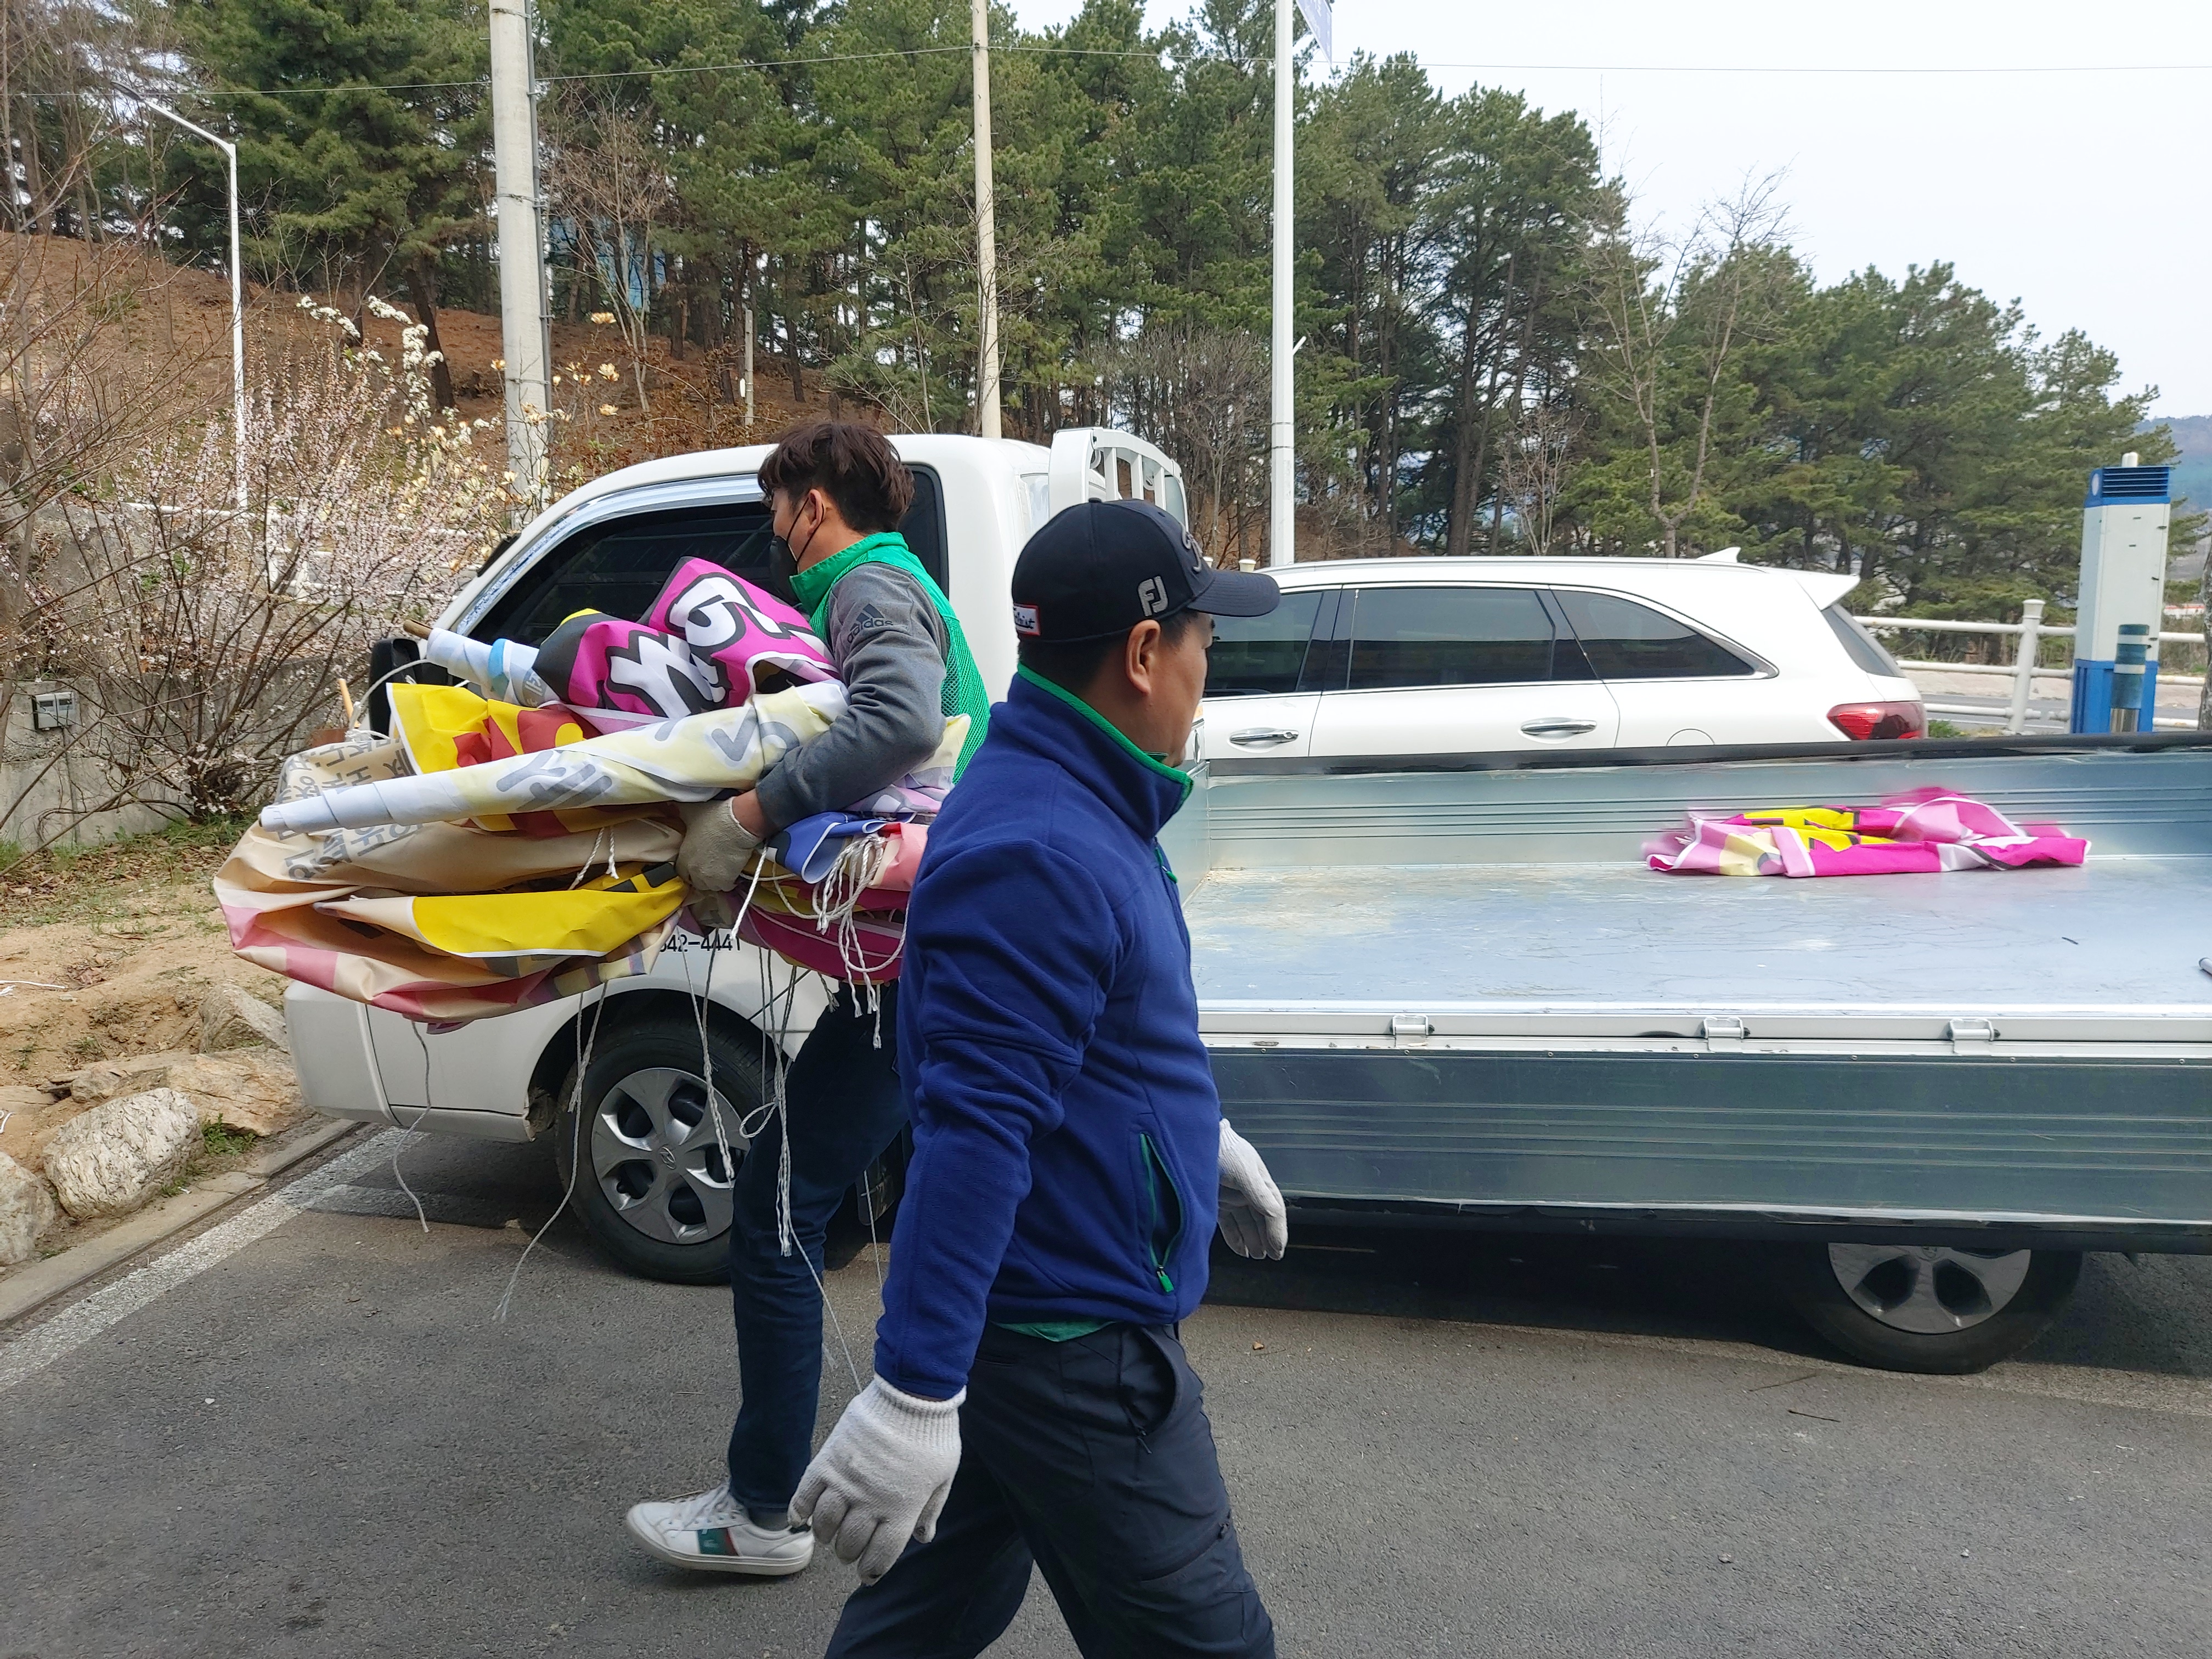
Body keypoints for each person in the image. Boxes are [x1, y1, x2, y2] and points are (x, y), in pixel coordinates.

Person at [792, 498, 1291, 1657]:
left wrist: (1198, 1139)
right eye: (1207, 641)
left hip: (1032, 1324)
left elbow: (1091, 1033)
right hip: (1075, 1349)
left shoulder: (1082, 796)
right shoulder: (1043, 848)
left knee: (929, 1619)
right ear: (1144, 652)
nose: (1207, 674)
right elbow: (976, 1133)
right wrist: (912, 1393)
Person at [624, 421, 991, 1577]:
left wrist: (747, 815)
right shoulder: (891, 583)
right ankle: (966, 1488)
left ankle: (760, 1511)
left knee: (778, 1206)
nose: (772, 533)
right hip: (939, 958)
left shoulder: (867, 587)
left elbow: (899, 723)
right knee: (940, 1211)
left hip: (930, 967)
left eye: (775, 508)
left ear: (811, 507)